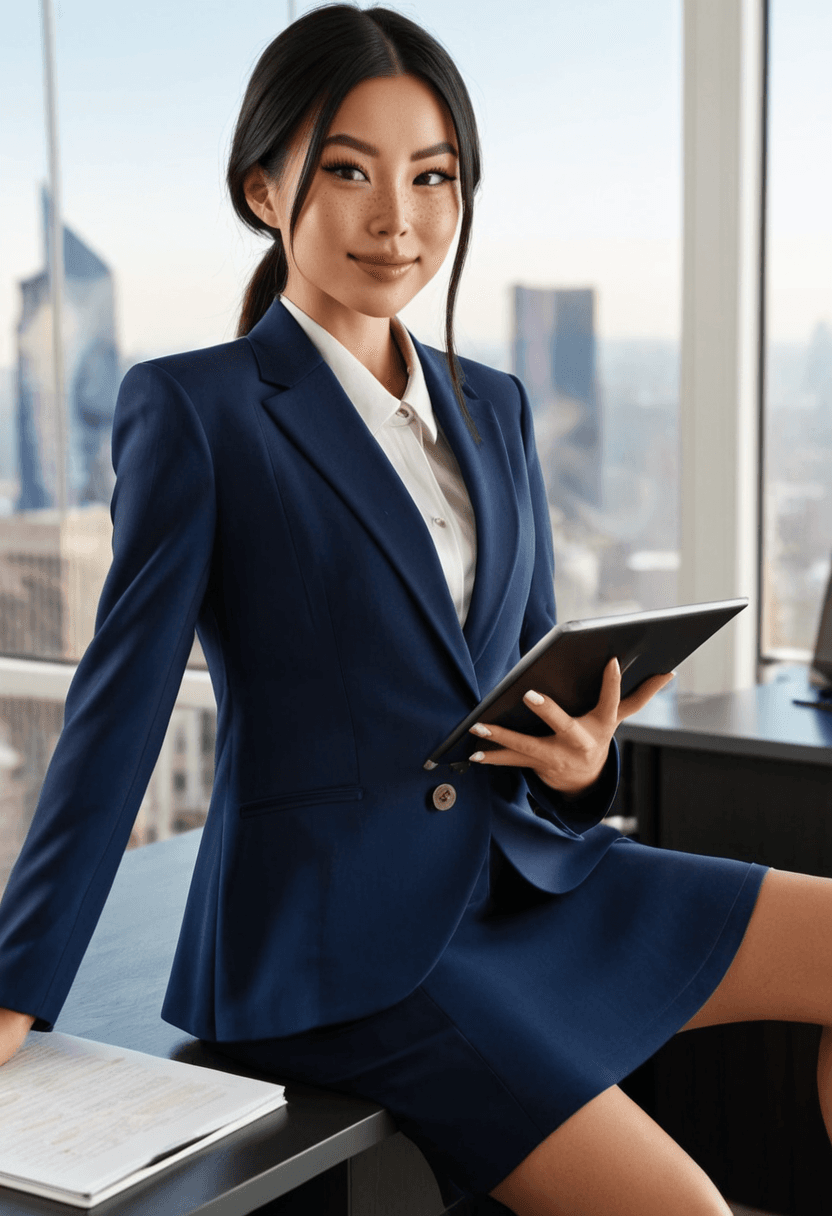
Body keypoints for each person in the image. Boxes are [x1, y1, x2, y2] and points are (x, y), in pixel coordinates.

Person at [1, 6, 832, 1214]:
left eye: (432, 177)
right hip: (343, 941)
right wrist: (18, 982)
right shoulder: (200, 409)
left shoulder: (490, 406)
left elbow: (522, 670)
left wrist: (579, 760)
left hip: (532, 874)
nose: (397, 217)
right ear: (262, 189)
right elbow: (117, 709)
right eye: (348, 170)